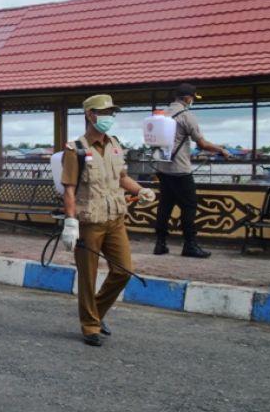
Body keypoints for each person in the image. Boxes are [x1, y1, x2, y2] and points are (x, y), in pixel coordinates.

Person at [61, 95, 155, 347]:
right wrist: (70, 224)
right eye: (104, 113)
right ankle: (90, 325)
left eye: (111, 113)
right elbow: (69, 190)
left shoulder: (114, 143)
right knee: (88, 276)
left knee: (123, 270)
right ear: (90, 115)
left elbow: (121, 177)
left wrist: (140, 191)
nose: (109, 118)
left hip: (115, 219)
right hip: (89, 221)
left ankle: (97, 312)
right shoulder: (76, 150)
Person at [152, 83, 230, 258]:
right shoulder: (186, 115)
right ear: (187, 98)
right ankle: (190, 245)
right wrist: (221, 150)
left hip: (162, 168)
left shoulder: (161, 114)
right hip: (180, 169)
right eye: (193, 97)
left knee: (165, 206)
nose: (192, 100)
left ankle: (160, 244)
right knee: (189, 206)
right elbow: (202, 144)